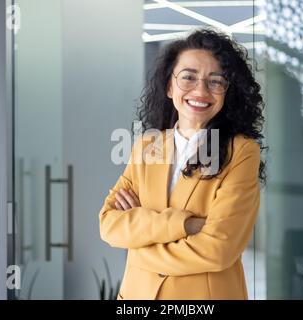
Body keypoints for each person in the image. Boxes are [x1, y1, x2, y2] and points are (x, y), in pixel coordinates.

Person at [99, 28, 265, 300]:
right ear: (169, 86)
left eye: (216, 81)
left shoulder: (242, 153)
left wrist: (140, 246)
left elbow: (218, 248)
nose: (200, 90)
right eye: (188, 77)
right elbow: (109, 225)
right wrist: (187, 225)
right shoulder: (147, 147)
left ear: (227, 92)